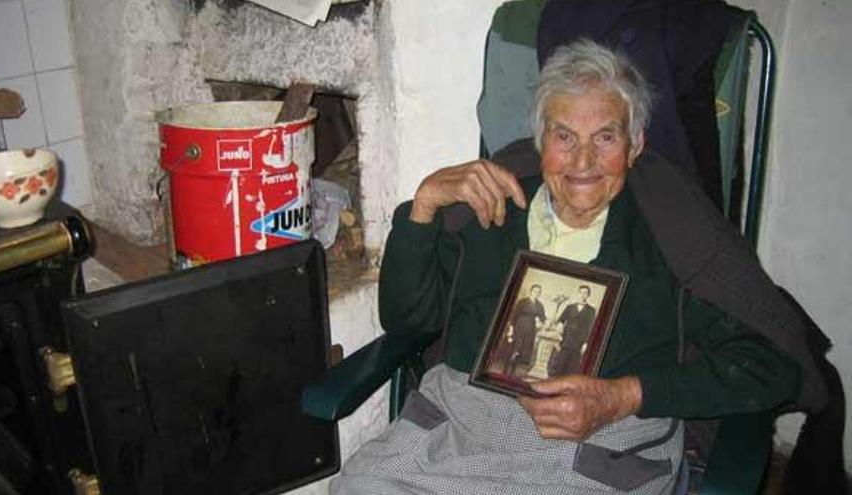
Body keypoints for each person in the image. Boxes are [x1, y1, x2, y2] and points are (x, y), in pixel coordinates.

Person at [331, 39, 815, 494]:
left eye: (606, 137)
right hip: (458, 432)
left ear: (637, 144)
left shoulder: (673, 232)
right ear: (540, 139)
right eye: (565, 136)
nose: (583, 161)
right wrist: (423, 207)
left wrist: (623, 396)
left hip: (597, 451)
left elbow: (770, 366)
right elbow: (408, 321)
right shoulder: (489, 209)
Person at [549, 284, 597, 376]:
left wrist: (586, 343)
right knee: (561, 364)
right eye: (581, 292)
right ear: (578, 293)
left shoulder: (591, 310)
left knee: (572, 367)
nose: (583, 295)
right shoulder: (570, 307)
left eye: (585, 293)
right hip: (566, 339)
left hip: (579, 342)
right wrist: (559, 332)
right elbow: (561, 321)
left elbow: (590, 328)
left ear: (588, 295)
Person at [501, 284, 547, 375]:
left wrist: (542, 322)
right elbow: (513, 316)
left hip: (530, 330)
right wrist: (511, 329)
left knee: (521, 351)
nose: (536, 293)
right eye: (535, 291)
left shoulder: (540, 305)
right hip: (519, 327)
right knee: (512, 349)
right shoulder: (523, 301)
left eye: (538, 292)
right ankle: (505, 370)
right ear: (531, 291)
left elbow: (543, 318)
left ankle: (513, 370)